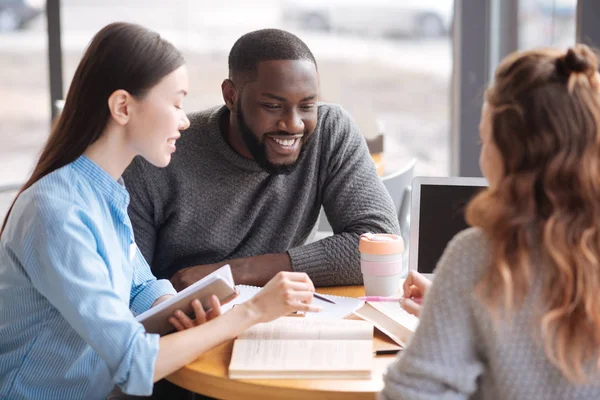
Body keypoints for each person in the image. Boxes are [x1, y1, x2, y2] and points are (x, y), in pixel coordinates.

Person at [0, 22, 322, 400]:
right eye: (176, 102)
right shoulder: (56, 211)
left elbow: (140, 287)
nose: (185, 119)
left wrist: (181, 309)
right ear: (123, 107)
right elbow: (134, 362)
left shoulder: (106, 191)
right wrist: (251, 312)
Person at [382, 45, 600, 399]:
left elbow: (411, 394)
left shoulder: (478, 255)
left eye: (486, 141)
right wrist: (451, 312)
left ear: (514, 157)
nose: (482, 158)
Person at [122, 28, 400, 291]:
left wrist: (232, 273)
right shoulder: (159, 155)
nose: (293, 124)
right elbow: (132, 289)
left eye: (307, 106)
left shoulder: (330, 130)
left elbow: (380, 246)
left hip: (287, 316)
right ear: (231, 96)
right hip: (189, 325)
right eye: (272, 106)